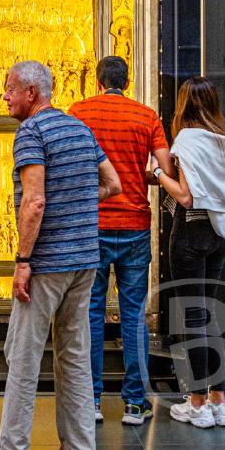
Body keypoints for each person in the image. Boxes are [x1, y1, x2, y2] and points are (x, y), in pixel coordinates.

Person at [0, 61, 121, 450]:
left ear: (32, 93)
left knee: (24, 357)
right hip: (85, 261)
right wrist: (77, 201)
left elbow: (34, 202)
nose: (5, 96)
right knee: (76, 356)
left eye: (9, 89)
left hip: (46, 263)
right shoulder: (80, 129)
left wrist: (23, 261)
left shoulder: (32, 132)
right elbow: (113, 184)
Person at [70, 56, 173, 425]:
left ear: (98, 82)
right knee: (133, 316)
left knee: (91, 314)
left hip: (92, 225)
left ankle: (92, 400)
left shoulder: (78, 112)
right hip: (134, 225)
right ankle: (134, 403)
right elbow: (166, 168)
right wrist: (140, 174)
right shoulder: (146, 117)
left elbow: (72, 162)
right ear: (127, 83)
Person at [153, 77, 225, 429]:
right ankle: (219, 401)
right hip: (220, 235)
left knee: (192, 319)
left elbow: (185, 196)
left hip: (190, 234)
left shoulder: (187, 140)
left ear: (184, 106)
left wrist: (156, 173)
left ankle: (196, 404)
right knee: (208, 314)